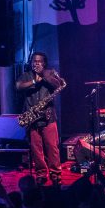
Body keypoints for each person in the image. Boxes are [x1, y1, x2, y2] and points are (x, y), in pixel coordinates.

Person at [16, 52, 64, 185]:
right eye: (34, 61)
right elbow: (18, 86)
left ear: (44, 63)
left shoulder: (50, 73)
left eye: (39, 61)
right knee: (36, 149)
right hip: (32, 117)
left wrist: (43, 75)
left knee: (52, 147)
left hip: (48, 117)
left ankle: (55, 174)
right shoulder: (26, 75)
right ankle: (41, 174)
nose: (36, 63)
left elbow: (58, 85)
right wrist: (34, 81)